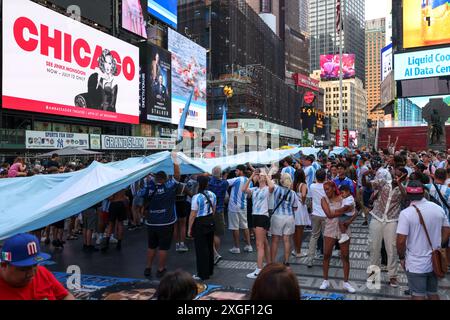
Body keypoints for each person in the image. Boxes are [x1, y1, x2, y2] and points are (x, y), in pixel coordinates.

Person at [396, 181, 450, 300]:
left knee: (418, 295)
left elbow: (400, 241)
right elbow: (447, 229)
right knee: (433, 293)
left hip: (416, 264)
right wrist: (439, 246)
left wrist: (401, 257)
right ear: (424, 193)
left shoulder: (406, 214)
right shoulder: (437, 208)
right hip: (435, 261)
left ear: (407, 195)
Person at [139, 152, 183, 278]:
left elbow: (139, 194)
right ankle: (160, 269)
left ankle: (148, 268)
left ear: (156, 179)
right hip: (166, 222)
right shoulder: (169, 187)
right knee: (163, 248)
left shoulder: (149, 188)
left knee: (151, 246)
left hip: (151, 222)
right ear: (164, 179)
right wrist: (175, 159)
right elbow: (177, 175)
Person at [362, 167, 407, 288]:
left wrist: (399, 184)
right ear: (393, 174)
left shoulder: (403, 188)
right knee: (374, 247)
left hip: (392, 220)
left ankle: (393, 276)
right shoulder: (383, 182)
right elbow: (366, 184)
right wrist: (364, 175)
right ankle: (373, 275)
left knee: (391, 249)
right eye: (397, 174)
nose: (398, 176)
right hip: (377, 217)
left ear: (404, 177)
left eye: (401, 175)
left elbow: (405, 197)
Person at [0, 233, 75, 300]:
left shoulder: (41, 271)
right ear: (4, 265)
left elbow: (65, 295)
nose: (32, 274)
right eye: (24, 269)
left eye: (35, 265)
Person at [320, 181, 357, 293]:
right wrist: (343, 211)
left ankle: (346, 282)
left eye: (328, 189)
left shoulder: (343, 196)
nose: (326, 191)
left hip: (344, 228)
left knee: (345, 256)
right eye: (324, 189)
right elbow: (329, 215)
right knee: (326, 255)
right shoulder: (323, 199)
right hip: (330, 229)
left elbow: (354, 211)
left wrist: (349, 221)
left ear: (333, 188)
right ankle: (325, 280)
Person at [242, 168, 275, 279]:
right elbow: (243, 189)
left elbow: (272, 187)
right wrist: (251, 176)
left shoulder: (267, 189)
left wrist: (266, 174)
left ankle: (259, 270)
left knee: (259, 244)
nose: (259, 176)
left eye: (261, 175)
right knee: (264, 242)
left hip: (262, 216)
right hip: (255, 216)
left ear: (265, 178)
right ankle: (269, 265)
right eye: (259, 175)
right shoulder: (255, 189)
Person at [188, 175, 216, 281]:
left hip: (200, 223)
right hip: (210, 222)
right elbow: (213, 209)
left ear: (199, 184)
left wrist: (189, 228)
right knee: (209, 247)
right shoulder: (212, 194)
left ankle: (202, 274)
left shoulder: (196, 197)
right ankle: (209, 270)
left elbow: (193, 214)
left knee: (201, 250)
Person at [270, 173, 297, 266]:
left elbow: (270, 185)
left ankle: (272, 261)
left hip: (277, 216)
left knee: (275, 240)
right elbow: (295, 207)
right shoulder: (293, 193)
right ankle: (286, 261)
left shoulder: (277, 188)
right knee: (287, 240)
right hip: (289, 217)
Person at [227, 165, 253, 254]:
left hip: (233, 206)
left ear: (241, 171)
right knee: (245, 226)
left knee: (235, 227)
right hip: (243, 205)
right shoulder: (249, 181)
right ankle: (249, 245)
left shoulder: (236, 179)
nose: (235, 172)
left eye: (237, 171)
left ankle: (236, 247)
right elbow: (249, 195)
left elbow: (224, 183)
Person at [208, 166, 229, 264]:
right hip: (220, 211)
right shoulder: (224, 183)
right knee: (217, 234)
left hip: (209, 210)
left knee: (209, 233)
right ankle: (214, 255)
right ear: (220, 174)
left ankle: (213, 255)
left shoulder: (209, 182)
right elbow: (224, 180)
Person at [306, 169, 327, 268]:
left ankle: (310, 259)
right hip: (326, 214)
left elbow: (310, 198)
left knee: (314, 236)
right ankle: (326, 259)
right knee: (326, 237)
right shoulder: (327, 187)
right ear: (325, 177)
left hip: (315, 214)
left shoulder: (312, 186)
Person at [292, 169, 310, 258]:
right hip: (300, 207)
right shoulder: (303, 185)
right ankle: (298, 251)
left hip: (294, 207)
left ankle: (295, 249)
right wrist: (303, 202)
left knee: (295, 231)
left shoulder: (293, 184)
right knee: (299, 231)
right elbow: (303, 195)